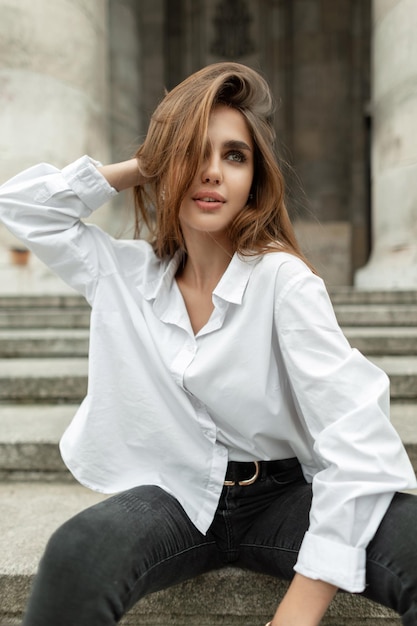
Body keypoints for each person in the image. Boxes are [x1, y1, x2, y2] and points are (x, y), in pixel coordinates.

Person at [0, 62, 416, 626]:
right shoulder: (124, 274)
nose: (212, 172)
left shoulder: (282, 281)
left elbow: (359, 440)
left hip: (282, 497)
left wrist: (299, 610)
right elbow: (23, 209)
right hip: (175, 496)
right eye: (194, 152)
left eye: (234, 156)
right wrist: (147, 163)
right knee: (78, 552)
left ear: (255, 179)